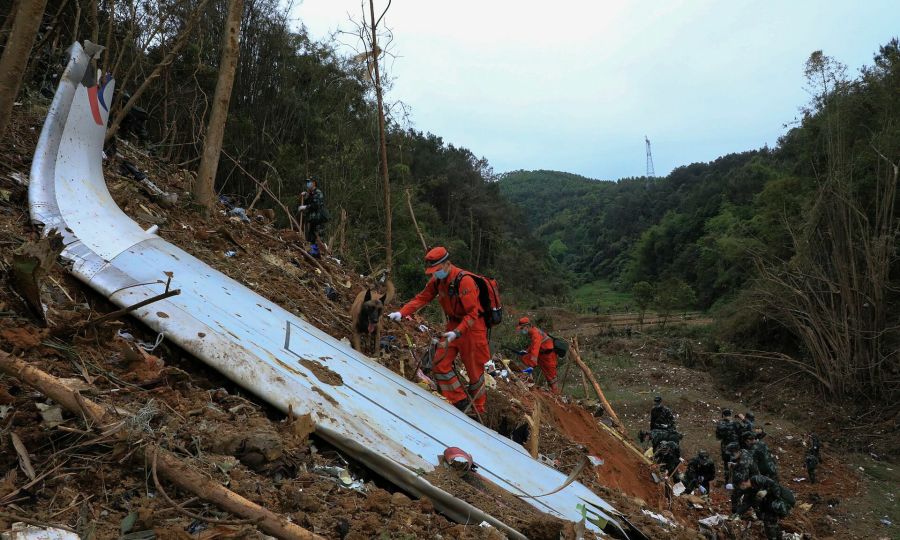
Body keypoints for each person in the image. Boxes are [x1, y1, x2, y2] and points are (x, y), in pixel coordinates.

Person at [388, 247, 489, 415]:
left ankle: (478, 411)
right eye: (433, 271)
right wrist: (402, 312)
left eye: (438, 270)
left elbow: (473, 313)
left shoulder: (465, 281)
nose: (435, 273)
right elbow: (422, 298)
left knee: (474, 372)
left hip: (472, 328)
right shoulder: (437, 281)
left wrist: (458, 332)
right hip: (453, 325)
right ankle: (460, 402)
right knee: (439, 363)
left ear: (448, 264)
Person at [735, 475, 795, 540]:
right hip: (770, 504)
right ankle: (778, 537)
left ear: (745, 481)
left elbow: (775, 485)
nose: (742, 487)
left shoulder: (757, 479)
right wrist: (737, 513)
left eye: (742, 484)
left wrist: (766, 491)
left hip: (783, 499)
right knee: (769, 520)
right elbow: (747, 503)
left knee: (768, 521)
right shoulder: (749, 490)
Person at [515, 317, 559, 393]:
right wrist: (526, 351)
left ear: (527, 326)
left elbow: (535, 350)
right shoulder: (533, 331)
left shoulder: (535, 334)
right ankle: (553, 392)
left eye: (522, 328)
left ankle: (556, 395)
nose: (522, 330)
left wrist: (531, 365)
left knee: (552, 377)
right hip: (543, 355)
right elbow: (533, 345)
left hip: (548, 356)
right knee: (548, 375)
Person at [726, 441, 759, 513]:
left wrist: (733, 486)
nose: (731, 456)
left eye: (732, 454)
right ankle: (736, 512)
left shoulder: (743, 461)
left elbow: (742, 479)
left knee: (748, 500)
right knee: (735, 496)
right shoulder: (742, 452)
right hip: (747, 478)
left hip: (751, 482)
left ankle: (738, 514)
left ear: (737, 451)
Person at [297, 178, 327, 257]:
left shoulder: (318, 193)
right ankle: (314, 254)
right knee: (311, 237)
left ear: (314, 183)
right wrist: (305, 195)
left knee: (318, 237)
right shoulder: (311, 193)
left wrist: (305, 207)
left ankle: (320, 255)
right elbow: (309, 200)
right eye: (307, 182)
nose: (308, 184)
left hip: (319, 219)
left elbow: (316, 205)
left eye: (309, 182)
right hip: (313, 220)